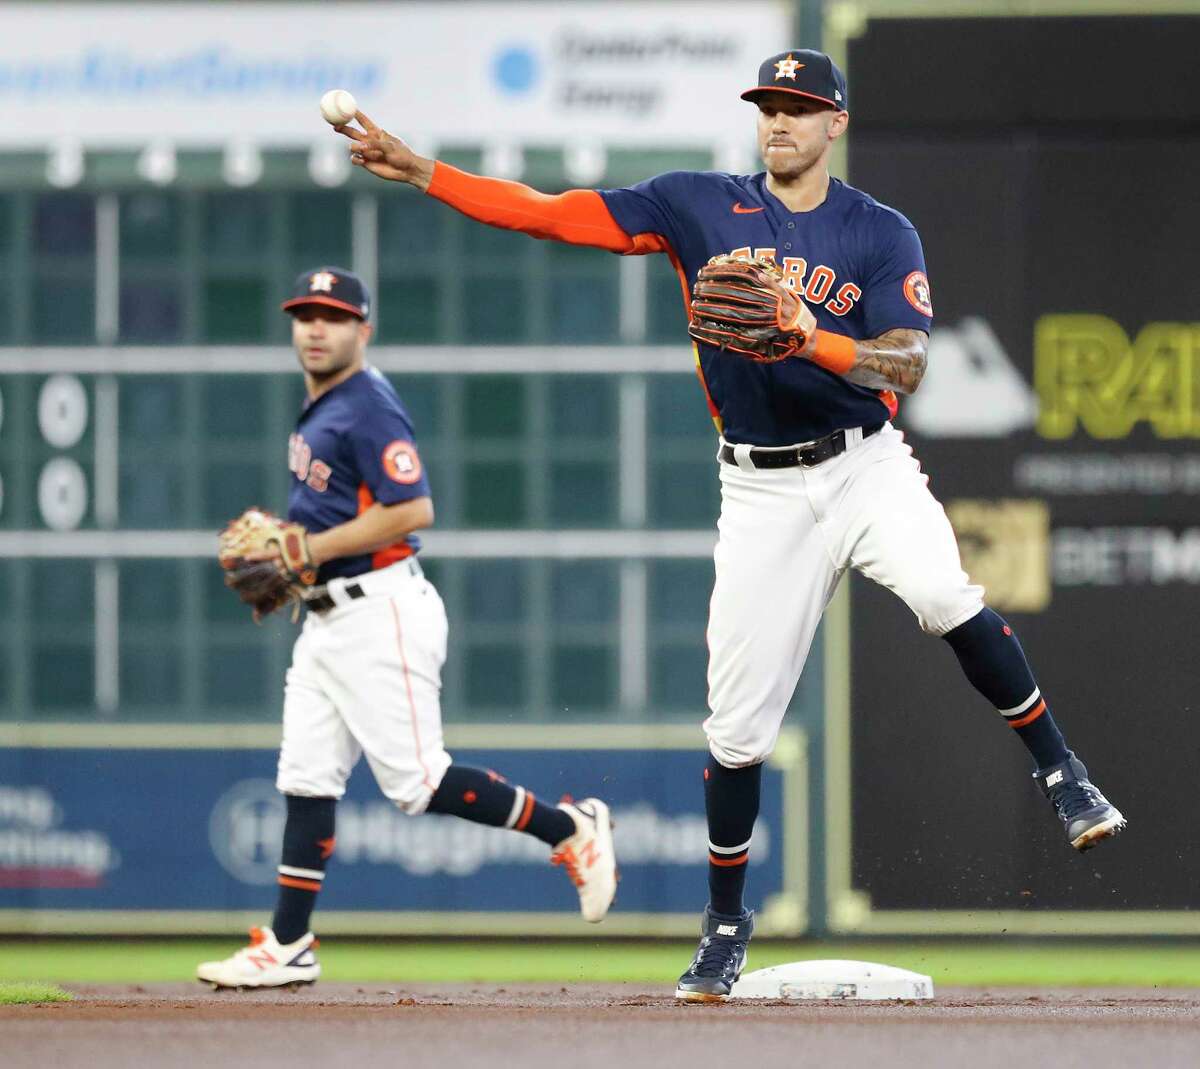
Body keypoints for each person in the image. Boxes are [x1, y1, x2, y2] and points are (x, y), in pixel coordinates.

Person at [335, 48, 1125, 1002]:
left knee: (942, 592)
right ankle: (723, 925)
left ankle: (1064, 773)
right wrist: (423, 171)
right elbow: (548, 215)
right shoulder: (695, 206)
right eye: (769, 106)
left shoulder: (878, 232)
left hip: (863, 462)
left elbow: (907, 366)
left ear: (836, 122)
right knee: (737, 728)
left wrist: (810, 337)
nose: (779, 121)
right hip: (759, 490)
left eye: (799, 107)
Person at [197, 267, 617, 990]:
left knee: (418, 783)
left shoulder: (367, 406)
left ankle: (570, 827)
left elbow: (413, 507)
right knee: (304, 776)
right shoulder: (321, 405)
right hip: (326, 619)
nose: (315, 328)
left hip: (379, 610)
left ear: (364, 329)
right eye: (304, 316)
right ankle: (289, 943)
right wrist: (302, 547)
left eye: (332, 316)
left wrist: (309, 548)